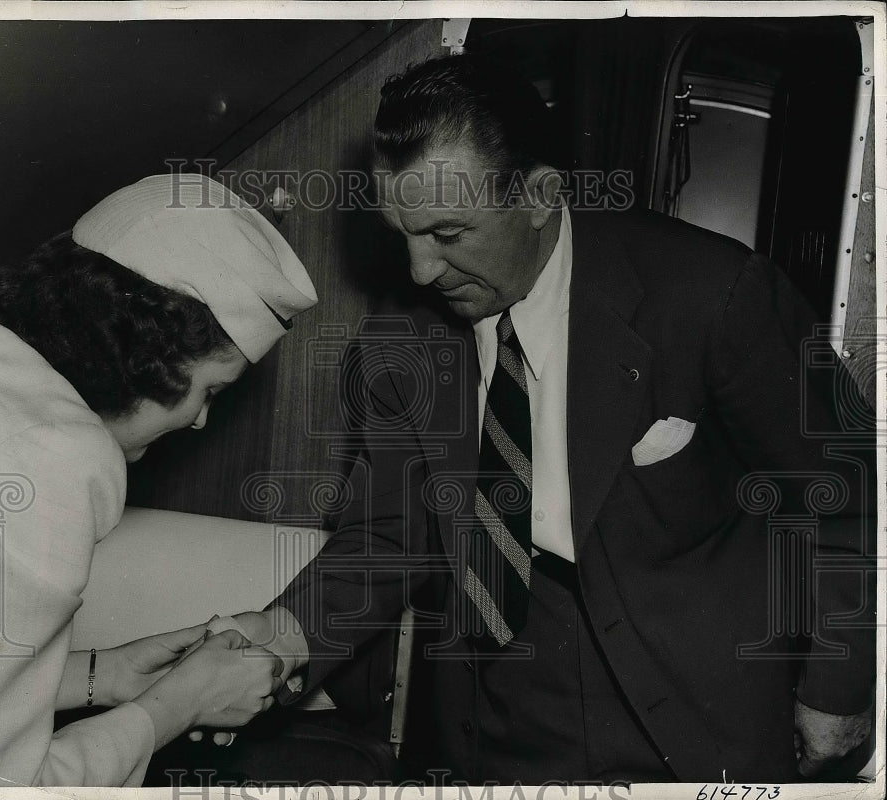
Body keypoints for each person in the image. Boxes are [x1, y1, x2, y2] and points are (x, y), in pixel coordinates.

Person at [232, 55, 876, 783]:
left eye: (448, 233)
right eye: (400, 233)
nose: (419, 272)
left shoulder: (715, 295)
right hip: (490, 704)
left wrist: (839, 685)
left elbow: (843, 493)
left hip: (694, 703)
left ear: (540, 195)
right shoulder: (400, 338)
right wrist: (281, 640)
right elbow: (389, 533)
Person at [0, 174, 318, 787]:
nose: (201, 420)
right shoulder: (49, 458)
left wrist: (105, 672)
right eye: (211, 391)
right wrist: (175, 708)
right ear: (148, 353)